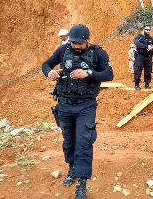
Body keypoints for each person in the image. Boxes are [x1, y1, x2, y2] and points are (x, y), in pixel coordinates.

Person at [42, 24, 114, 199]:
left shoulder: (98, 53)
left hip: (86, 105)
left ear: (87, 40)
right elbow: (46, 64)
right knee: (68, 141)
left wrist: (88, 73)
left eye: (79, 43)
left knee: (84, 141)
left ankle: (81, 182)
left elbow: (109, 74)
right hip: (64, 104)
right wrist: (49, 72)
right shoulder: (63, 49)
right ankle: (72, 169)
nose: (75, 46)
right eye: (73, 42)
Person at [133, 25, 153, 90]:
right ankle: (136, 85)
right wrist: (146, 46)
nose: (148, 31)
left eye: (149, 30)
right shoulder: (139, 37)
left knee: (148, 71)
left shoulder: (150, 38)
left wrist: (152, 47)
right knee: (138, 70)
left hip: (148, 56)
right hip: (140, 56)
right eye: (147, 29)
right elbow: (137, 43)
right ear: (143, 29)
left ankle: (147, 84)